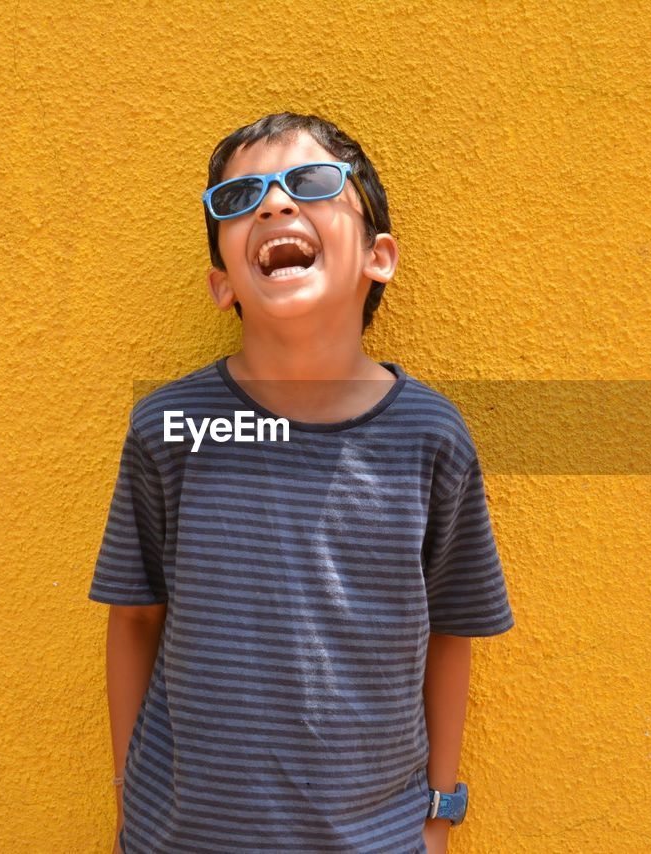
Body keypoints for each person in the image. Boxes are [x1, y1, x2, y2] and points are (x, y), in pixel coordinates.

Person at [89, 111, 515, 853]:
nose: (275, 204)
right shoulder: (174, 426)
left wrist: (440, 813)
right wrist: (132, 803)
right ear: (222, 284)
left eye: (312, 183)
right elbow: (133, 618)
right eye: (240, 197)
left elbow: (451, 631)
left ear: (379, 256)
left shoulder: (429, 438)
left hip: (373, 839)